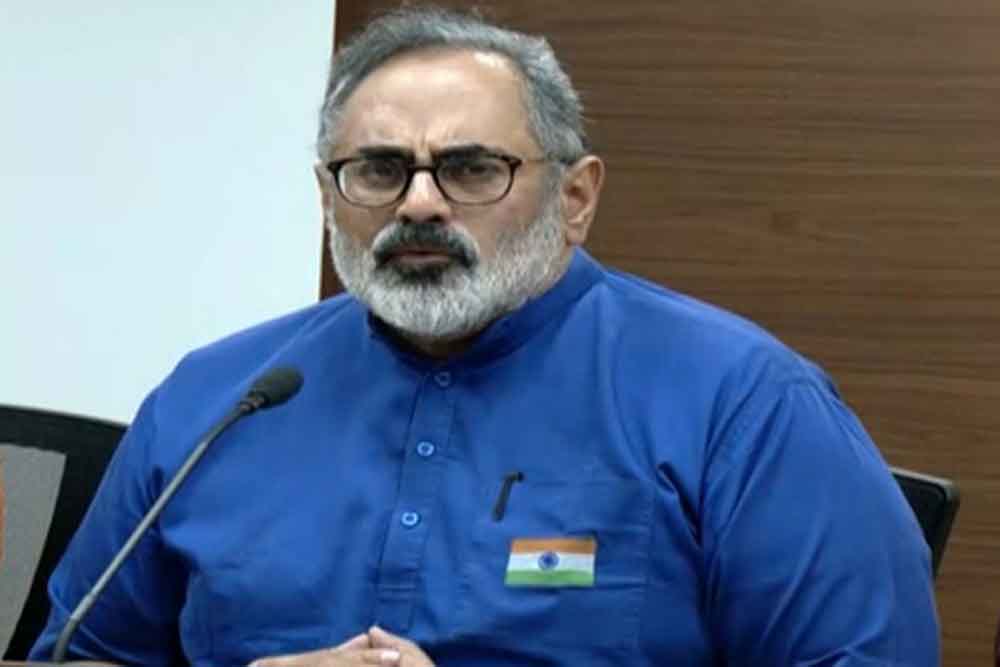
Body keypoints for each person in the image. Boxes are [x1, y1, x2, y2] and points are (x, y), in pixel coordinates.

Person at [31, 6, 939, 667]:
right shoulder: (217, 398)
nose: (420, 203)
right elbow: (79, 653)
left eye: (471, 168)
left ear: (574, 197)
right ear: (327, 198)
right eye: (378, 169)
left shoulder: (744, 405)